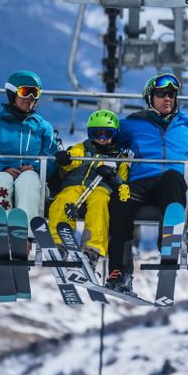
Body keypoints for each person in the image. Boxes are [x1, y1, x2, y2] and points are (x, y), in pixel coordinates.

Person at [106, 73, 188, 294]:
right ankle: (120, 271)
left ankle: (168, 245)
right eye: (161, 94)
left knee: (173, 179)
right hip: (141, 182)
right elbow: (104, 139)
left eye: (171, 94)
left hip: (171, 184)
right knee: (120, 196)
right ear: (150, 98)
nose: (167, 98)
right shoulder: (133, 123)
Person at [47, 109, 131, 272]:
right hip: (75, 185)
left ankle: (92, 249)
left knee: (100, 204)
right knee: (63, 200)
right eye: (96, 134)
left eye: (106, 134)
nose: (101, 138)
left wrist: (113, 177)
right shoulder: (83, 148)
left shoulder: (120, 158)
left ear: (114, 135)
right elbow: (72, 158)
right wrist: (65, 159)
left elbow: (123, 186)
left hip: (101, 189)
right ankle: (59, 244)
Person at [0, 70, 58, 220]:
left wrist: (35, 168)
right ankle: (2, 227)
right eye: (25, 92)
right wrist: (3, 169)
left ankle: (25, 233)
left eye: (35, 93)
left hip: (32, 181)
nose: (30, 98)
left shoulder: (44, 127)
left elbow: (51, 161)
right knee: (2, 179)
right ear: (12, 94)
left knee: (29, 179)